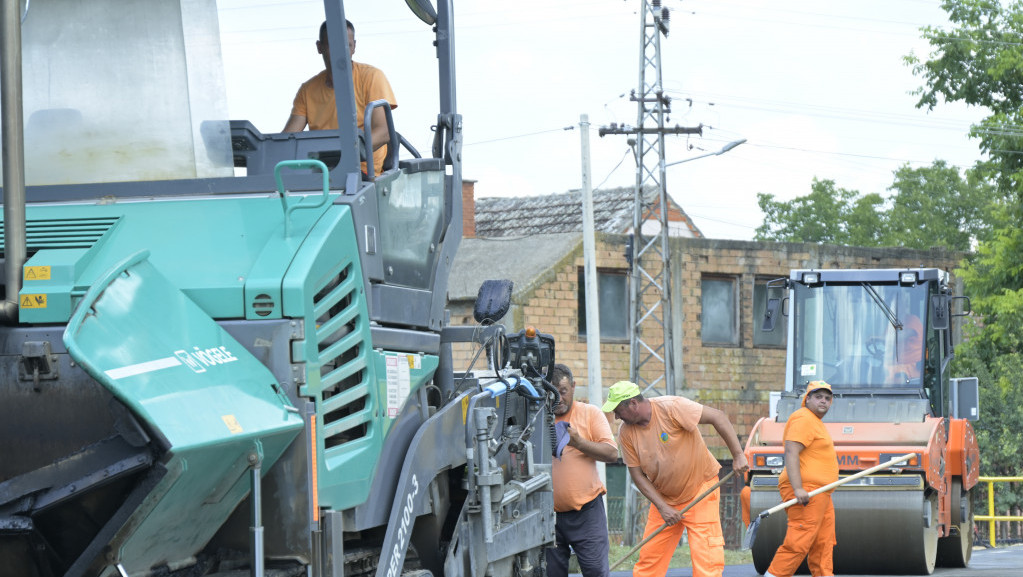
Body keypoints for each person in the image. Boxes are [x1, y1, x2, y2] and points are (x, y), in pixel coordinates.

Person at [602, 381, 749, 577]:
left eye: (618, 410)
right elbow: (637, 475)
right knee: (648, 563)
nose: (617, 416)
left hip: (700, 490)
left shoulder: (672, 407)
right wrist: (663, 507)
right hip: (664, 499)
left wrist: (738, 455)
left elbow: (718, 417)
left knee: (707, 562)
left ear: (633, 404)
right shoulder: (626, 433)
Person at [282, 20, 397, 176]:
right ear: (319, 47)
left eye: (347, 45)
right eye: (333, 45)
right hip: (320, 170)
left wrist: (342, 154)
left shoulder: (372, 77)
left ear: (354, 47)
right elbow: (288, 139)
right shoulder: (307, 90)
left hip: (360, 172)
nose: (341, 52)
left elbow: (383, 132)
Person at [547, 364, 619, 577]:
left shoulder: (590, 413)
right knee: (550, 573)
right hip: (548, 516)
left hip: (586, 512)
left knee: (595, 571)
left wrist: (578, 442)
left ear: (573, 387)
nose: (558, 398)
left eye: (563, 391)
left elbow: (611, 453)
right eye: (552, 393)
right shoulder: (537, 417)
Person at [764, 381, 838, 577]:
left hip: (821, 492)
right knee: (799, 540)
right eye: (818, 396)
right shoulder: (803, 418)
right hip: (807, 489)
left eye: (827, 398)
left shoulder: (815, 422)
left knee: (824, 542)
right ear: (807, 399)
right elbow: (791, 451)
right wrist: (798, 488)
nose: (823, 401)